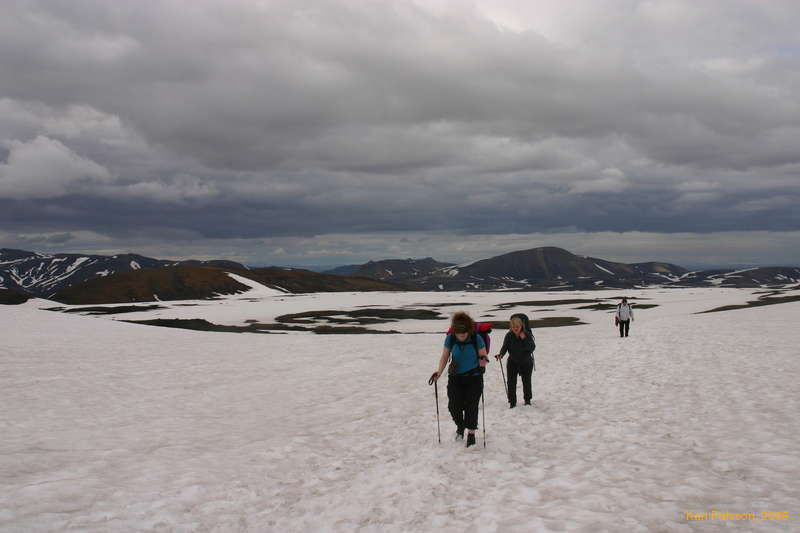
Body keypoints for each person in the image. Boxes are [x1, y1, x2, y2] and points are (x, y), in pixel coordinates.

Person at [429, 312, 488, 448]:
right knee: (453, 406)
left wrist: (483, 362)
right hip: (455, 377)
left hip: (474, 377)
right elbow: (445, 356)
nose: (461, 336)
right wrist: (439, 372)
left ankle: (471, 434)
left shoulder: (476, 338)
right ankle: (460, 426)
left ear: (468, 330)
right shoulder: (450, 338)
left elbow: (483, 355)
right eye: (459, 333)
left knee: (471, 406)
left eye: (464, 333)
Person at [495, 315, 535, 408]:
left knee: (526, 381)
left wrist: (524, 338)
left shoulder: (526, 334)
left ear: (521, 326)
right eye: (513, 327)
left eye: (517, 327)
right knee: (511, 382)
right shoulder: (509, 335)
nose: (515, 329)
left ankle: (527, 400)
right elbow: (505, 347)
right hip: (512, 362)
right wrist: (501, 354)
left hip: (526, 362)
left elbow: (532, 347)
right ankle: (512, 402)